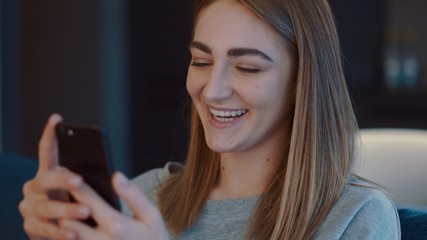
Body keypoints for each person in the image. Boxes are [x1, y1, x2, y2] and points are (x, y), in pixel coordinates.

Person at [19, 0, 401, 239]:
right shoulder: (143, 198)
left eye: (248, 68)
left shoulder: (356, 218)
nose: (212, 89)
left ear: (304, 82)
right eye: (201, 62)